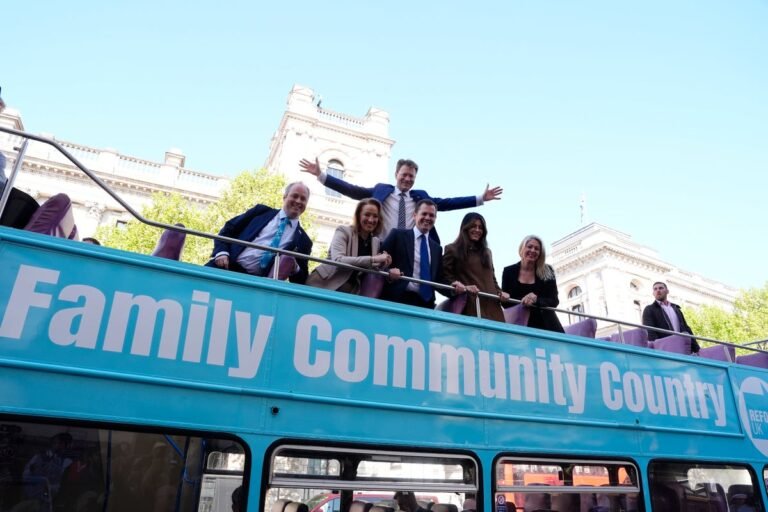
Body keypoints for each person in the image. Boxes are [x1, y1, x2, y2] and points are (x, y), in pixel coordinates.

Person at [299, 157, 503, 240]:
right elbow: (353, 190)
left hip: (410, 247)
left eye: (411, 176)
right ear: (396, 174)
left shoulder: (420, 196)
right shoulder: (381, 190)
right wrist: (322, 176)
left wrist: (480, 198)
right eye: (404, 175)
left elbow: (446, 203)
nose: (407, 179)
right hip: (381, 243)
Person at [206, 182, 313, 284]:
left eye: (303, 199)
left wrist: (295, 268)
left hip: (255, 286)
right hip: (226, 267)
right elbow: (229, 228)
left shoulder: (304, 241)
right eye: (294, 196)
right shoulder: (260, 212)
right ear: (285, 197)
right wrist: (222, 252)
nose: (298, 201)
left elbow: (301, 280)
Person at [382, 199, 458, 308]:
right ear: (415, 215)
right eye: (424, 214)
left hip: (425, 305)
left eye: (431, 215)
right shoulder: (397, 236)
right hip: (396, 300)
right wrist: (389, 273)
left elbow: (437, 279)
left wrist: (453, 288)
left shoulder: (437, 248)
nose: (427, 218)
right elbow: (378, 263)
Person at [306, 198, 391, 293]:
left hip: (349, 291)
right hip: (323, 284)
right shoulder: (343, 231)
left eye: (375, 216)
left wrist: (383, 264)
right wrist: (374, 259)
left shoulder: (375, 242)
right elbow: (339, 260)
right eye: (367, 215)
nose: (371, 220)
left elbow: (368, 267)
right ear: (359, 216)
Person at [442, 212, 509, 321]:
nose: (477, 230)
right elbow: (445, 276)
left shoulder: (487, 252)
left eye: (480, 227)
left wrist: (500, 292)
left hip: (493, 308)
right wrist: (462, 287)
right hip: (471, 306)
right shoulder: (452, 249)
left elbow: (492, 278)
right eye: (473, 226)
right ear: (465, 227)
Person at [501, 235, 564, 333]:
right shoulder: (509, 271)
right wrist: (506, 297)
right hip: (519, 327)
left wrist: (536, 299)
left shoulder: (548, 271)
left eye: (537, 249)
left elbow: (554, 301)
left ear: (540, 253)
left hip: (547, 326)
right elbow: (505, 304)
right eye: (529, 247)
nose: (533, 250)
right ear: (522, 248)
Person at [642, 281, 700, 353]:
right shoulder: (649, 309)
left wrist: (697, 349)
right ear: (653, 293)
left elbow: (686, 329)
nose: (658, 290)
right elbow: (650, 331)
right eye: (655, 289)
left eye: (661, 288)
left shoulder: (676, 309)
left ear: (667, 291)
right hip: (665, 349)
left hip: (683, 348)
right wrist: (659, 350)